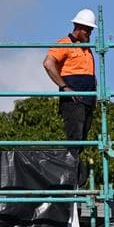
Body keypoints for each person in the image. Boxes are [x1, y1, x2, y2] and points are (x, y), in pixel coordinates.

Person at [43, 9, 98, 142]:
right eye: (86, 30)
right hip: (73, 101)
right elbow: (48, 63)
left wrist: (95, 94)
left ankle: (74, 156)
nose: (89, 33)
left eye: (91, 30)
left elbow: (91, 74)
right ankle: (70, 157)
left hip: (88, 101)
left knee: (82, 141)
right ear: (77, 27)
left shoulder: (87, 49)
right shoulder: (64, 43)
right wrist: (64, 87)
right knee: (75, 139)